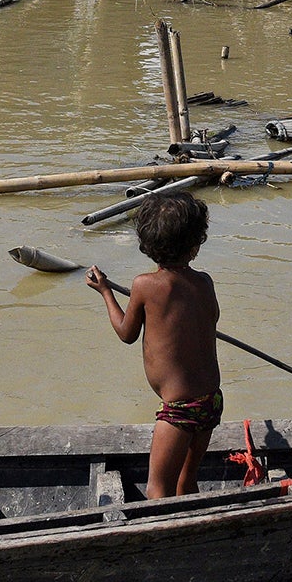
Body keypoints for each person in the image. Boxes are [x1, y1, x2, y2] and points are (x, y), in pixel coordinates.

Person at [86, 192, 222, 497]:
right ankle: (194, 527)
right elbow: (208, 320)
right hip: (211, 401)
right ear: (196, 245)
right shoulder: (205, 282)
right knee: (186, 482)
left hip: (180, 410)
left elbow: (126, 333)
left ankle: (166, 538)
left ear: (148, 246)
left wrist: (105, 292)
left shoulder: (144, 285)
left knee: (158, 489)